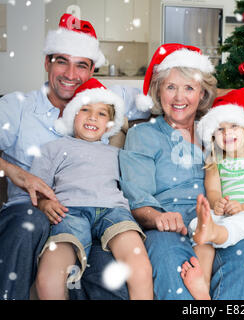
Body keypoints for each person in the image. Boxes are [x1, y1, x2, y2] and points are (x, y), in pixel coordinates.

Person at [0, 13, 149, 300]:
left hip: (97, 215)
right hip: (32, 214)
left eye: (81, 65)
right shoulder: (16, 107)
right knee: (30, 224)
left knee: (105, 276)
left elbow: (173, 95)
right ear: (46, 62)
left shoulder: (105, 99)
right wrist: (14, 172)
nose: (70, 74)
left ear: (92, 69)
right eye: (61, 61)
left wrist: (235, 97)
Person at [115, 43, 244, 300]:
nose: (179, 98)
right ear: (158, 90)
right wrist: (157, 217)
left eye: (189, 88)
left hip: (220, 222)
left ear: (202, 93)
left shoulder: (218, 131)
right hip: (168, 228)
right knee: (168, 259)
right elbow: (137, 198)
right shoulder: (143, 135)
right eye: (170, 87)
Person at [29, 78, 153, 300]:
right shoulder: (53, 148)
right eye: (85, 109)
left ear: (110, 124)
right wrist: (46, 203)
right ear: (72, 114)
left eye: (102, 113)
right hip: (69, 211)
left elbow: (133, 182)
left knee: (139, 266)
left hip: (113, 211)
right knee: (49, 276)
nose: (93, 117)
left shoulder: (117, 152)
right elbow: (36, 186)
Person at [180, 88, 244, 300]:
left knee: (238, 224)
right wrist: (217, 205)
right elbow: (213, 191)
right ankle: (202, 284)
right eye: (220, 129)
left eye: (234, 126)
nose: (227, 133)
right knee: (200, 228)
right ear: (213, 135)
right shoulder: (215, 161)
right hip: (227, 213)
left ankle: (215, 233)